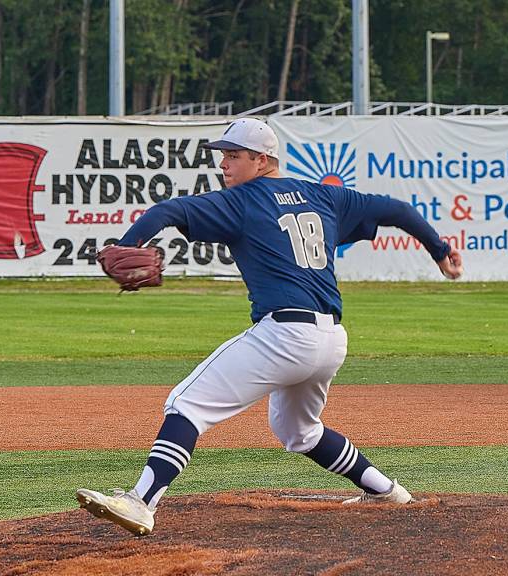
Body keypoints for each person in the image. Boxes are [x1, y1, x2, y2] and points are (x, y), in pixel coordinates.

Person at [76, 118, 463, 536]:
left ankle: (141, 501)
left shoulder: (242, 201)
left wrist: (128, 243)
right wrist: (439, 250)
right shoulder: (324, 197)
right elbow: (399, 211)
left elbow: (167, 211)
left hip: (285, 335)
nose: (223, 164)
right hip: (331, 339)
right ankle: (387, 491)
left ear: (262, 160)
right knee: (299, 431)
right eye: (222, 155)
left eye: (233, 155)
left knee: (186, 404)